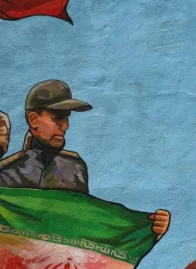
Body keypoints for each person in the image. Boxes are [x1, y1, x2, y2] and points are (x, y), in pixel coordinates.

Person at [0, 80, 170, 241]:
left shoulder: (74, 168)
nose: (65, 126)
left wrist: (147, 230)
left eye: (67, 117)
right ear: (33, 120)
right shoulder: (5, 173)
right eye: (58, 117)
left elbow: (83, 228)